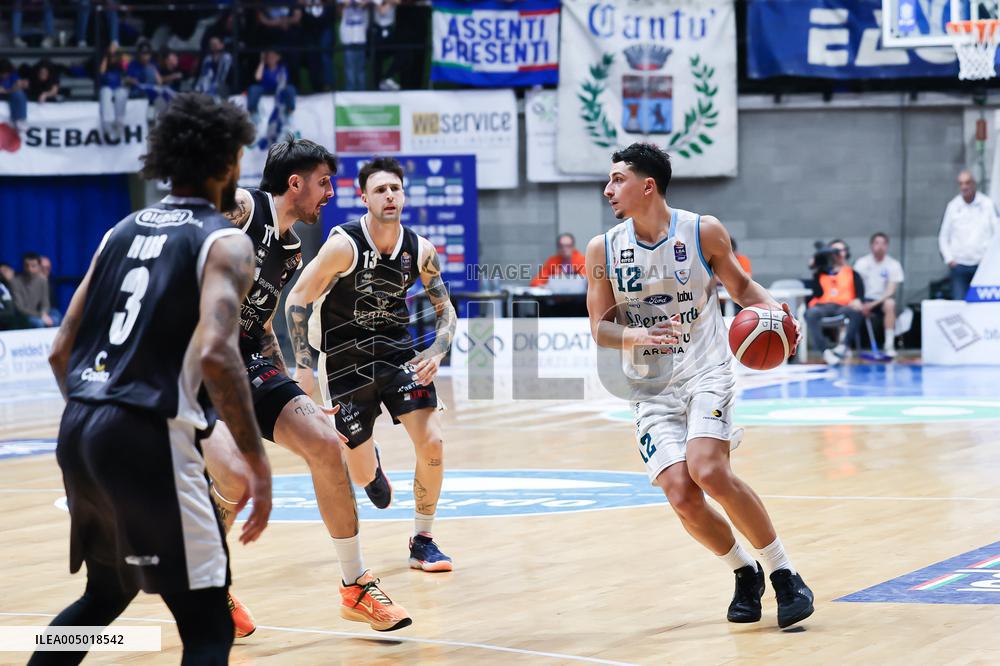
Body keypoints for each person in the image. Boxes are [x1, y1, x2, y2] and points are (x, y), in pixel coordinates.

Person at [31, 92, 271, 666]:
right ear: (228, 164)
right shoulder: (225, 241)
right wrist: (255, 460)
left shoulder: (121, 230)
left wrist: (100, 425)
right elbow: (217, 353)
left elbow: (61, 350)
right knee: (210, 626)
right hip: (146, 433)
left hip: (80, 423)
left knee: (104, 596)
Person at [584, 143, 814, 629]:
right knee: (681, 493)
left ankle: (784, 572)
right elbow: (599, 327)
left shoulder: (702, 230)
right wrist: (636, 334)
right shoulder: (602, 248)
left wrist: (780, 316)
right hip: (649, 386)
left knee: (708, 470)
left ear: (648, 185)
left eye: (617, 179)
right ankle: (743, 571)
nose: (608, 189)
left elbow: (743, 289)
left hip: (706, 370)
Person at [202, 139, 411, 635]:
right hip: (191, 364)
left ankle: (355, 585)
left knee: (323, 442)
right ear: (294, 183)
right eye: (324, 183)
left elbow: (262, 324)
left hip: (244, 359)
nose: (331, 194)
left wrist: (299, 392)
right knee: (234, 480)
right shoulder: (244, 209)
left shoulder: (292, 250)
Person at [284, 156, 458, 574]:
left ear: (404, 195)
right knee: (364, 479)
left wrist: (437, 350)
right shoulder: (343, 245)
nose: (389, 196)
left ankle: (423, 540)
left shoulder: (421, 250)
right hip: (345, 361)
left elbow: (446, 310)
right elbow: (297, 300)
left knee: (432, 442)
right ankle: (369, 462)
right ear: (364, 198)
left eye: (395, 189)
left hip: (398, 354)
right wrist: (304, 366)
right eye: (380, 190)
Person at [804, 239, 865, 366]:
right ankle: (825, 351)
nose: (837, 253)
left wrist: (857, 301)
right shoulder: (821, 272)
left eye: (840, 250)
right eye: (834, 250)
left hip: (843, 306)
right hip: (823, 306)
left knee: (856, 312)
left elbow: (859, 296)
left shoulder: (852, 273)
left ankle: (843, 346)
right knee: (810, 313)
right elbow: (811, 266)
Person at [939, 169, 997, 300]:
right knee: (960, 304)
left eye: (967, 183)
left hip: (983, 266)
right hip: (959, 266)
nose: (964, 187)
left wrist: (990, 259)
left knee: (983, 305)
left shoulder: (987, 204)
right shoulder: (953, 206)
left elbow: (996, 233)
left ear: (974, 184)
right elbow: (943, 236)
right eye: (961, 183)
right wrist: (949, 259)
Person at [853, 232, 905, 358]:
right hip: (863, 299)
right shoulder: (862, 263)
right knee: (851, 305)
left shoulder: (893, 265)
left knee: (890, 304)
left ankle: (889, 345)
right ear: (871, 245)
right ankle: (845, 345)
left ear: (887, 246)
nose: (880, 246)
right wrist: (862, 303)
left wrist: (871, 306)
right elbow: (855, 286)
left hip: (880, 300)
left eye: (883, 243)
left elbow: (890, 291)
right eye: (877, 243)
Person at [247, 49, 297, 147]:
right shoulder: (263, 67)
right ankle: (254, 117)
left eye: (273, 56)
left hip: (278, 89)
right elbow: (257, 78)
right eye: (268, 56)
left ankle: (288, 116)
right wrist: (262, 62)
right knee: (253, 88)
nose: (271, 58)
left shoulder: (282, 68)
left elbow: (284, 81)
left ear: (278, 58)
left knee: (290, 89)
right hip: (265, 88)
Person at [11, 253, 60, 328]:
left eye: (33, 266)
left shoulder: (43, 280)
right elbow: (20, 308)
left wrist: (44, 314)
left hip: (40, 312)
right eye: (26, 266)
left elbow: (45, 302)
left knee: (56, 317)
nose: (29, 269)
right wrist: (41, 315)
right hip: (25, 315)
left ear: (39, 267)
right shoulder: (15, 282)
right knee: (39, 323)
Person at [338, 0, 369, 91]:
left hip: (360, 37)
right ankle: (349, 94)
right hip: (348, 37)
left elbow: (369, 4)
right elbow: (338, 12)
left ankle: (362, 94)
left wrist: (361, 3)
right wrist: (348, 3)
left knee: (361, 70)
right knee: (349, 70)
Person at [0, 58, 28, 133]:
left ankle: (20, 120)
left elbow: (18, 85)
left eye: (6, 73)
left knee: (19, 94)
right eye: (2, 73)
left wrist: (6, 91)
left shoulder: (13, 74)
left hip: (10, 94)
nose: (4, 75)